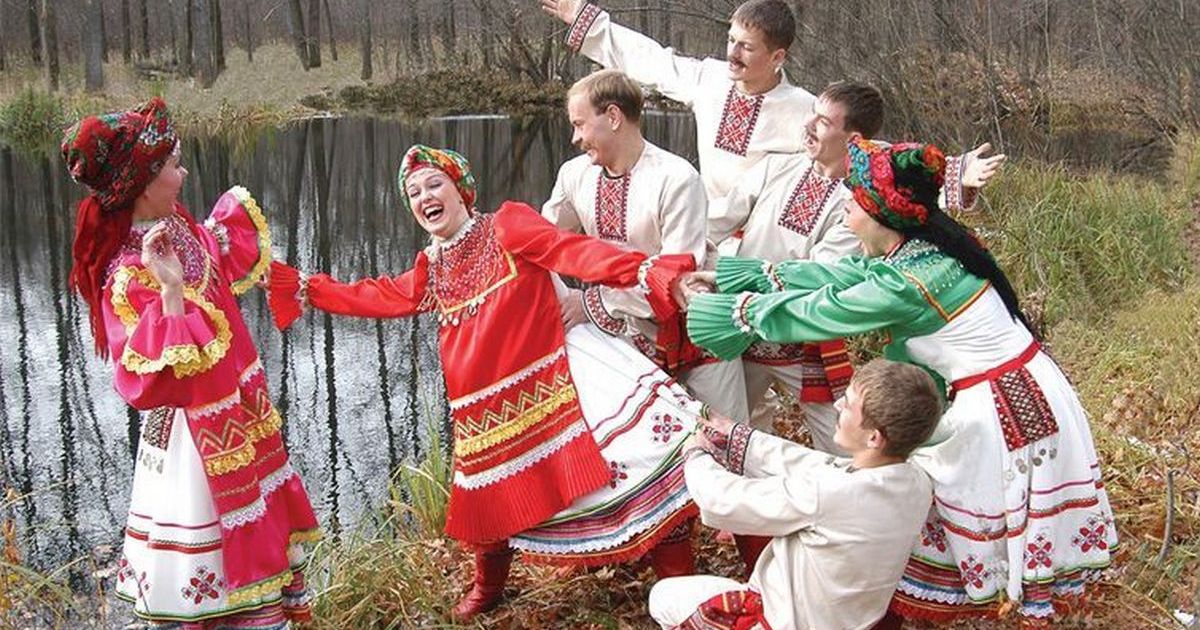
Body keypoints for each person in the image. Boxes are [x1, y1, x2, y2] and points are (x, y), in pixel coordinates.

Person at [682, 137, 1118, 623]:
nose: (845, 209)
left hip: (1004, 403)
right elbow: (839, 277)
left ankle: (908, 608)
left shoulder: (910, 281)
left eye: (854, 203)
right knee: (912, 505)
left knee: (929, 514)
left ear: (880, 215)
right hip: (1011, 390)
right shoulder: (916, 253)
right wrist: (736, 279)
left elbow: (828, 309)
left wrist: (738, 312)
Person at [266, 145, 703, 621]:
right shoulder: (432, 266)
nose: (424, 197)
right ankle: (488, 587)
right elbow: (380, 296)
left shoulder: (507, 226)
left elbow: (572, 251)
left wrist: (647, 272)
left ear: (461, 191)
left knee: (644, 467)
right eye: (414, 192)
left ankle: (681, 586)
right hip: (486, 410)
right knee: (490, 503)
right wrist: (308, 289)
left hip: (555, 381)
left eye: (434, 184)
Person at [62, 98, 320, 627]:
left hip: (237, 418)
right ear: (143, 184)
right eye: (174, 166)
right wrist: (172, 290)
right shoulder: (129, 276)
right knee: (209, 577)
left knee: (260, 556)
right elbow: (155, 378)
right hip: (193, 446)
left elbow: (216, 253)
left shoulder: (175, 226)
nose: (183, 176)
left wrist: (290, 282)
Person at [708, 80, 1004, 453]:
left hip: (801, 328)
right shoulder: (783, 166)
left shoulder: (879, 224)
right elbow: (718, 220)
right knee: (725, 422)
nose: (808, 126)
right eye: (812, 115)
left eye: (823, 121)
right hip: (757, 322)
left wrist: (744, 308)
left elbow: (832, 293)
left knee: (849, 443)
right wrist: (701, 261)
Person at [648, 359, 942, 629]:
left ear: (874, 437)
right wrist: (737, 435)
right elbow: (814, 464)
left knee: (664, 597)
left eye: (849, 405)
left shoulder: (829, 493)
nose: (838, 404)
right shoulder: (916, 482)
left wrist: (696, 456)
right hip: (848, 622)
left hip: (782, 622)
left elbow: (724, 500)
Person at [543, 68, 749, 422]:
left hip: (698, 333)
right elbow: (542, 241)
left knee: (727, 437)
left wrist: (591, 302)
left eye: (580, 124)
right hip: (626, 335)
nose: (575, 138)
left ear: (613, 117)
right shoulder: (574, 175)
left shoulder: (676, 178)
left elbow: (677, 278)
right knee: (636, 440)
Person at [543, 0, 813, 202]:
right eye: (732, 40)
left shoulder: (806, 111)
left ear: (777, 57)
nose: (733, 53)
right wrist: (591, 25)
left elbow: (826, 177)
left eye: (747, 47)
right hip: (707, 230)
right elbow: (651, 60)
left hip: (767, 245)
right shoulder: (710, 79)